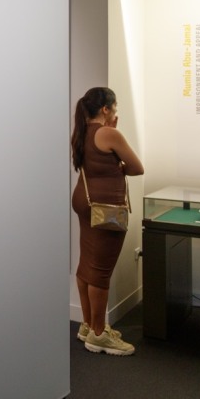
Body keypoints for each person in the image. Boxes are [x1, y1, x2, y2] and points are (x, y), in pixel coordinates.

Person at [71, 87, 144, 356]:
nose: (115, 112)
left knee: (86, 263)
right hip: (106, 208)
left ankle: (89, 325)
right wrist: (115, 138)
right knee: (100, 269)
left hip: (84, 202)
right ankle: (99, 335)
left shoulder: (82, 131)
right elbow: (137, 167)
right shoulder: (109, 133)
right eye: (114, 107)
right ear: (105, 109)